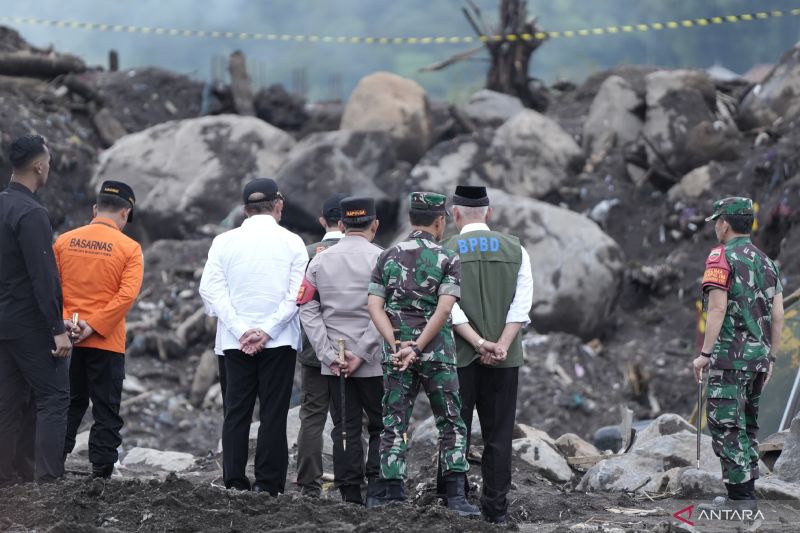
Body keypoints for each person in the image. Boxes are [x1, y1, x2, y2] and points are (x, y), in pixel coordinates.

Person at [366, 192, 479, 517]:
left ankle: (392, 494)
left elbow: (374, 306)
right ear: (440, 221)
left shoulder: (387, 256)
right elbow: (445, 309)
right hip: (438, 355)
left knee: (393, 421)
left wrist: (397, 343)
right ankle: (456, 497)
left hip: (397, 355)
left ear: (411, 219)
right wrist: (419, 346)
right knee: (451, 423)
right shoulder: (447, 258)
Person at [199, 178, 307, 495]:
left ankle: (234, 479)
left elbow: (210, 289)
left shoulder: (223, 242)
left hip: (234, 343)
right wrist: (267, 330)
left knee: (236, 411)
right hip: (280, 341)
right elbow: (297, 294)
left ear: (245, 209)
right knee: (273, 413)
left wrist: (241, 328)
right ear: (279, 205)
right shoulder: (293, 242)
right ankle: (268, 483)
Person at [434, 185, 533, 524]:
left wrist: (477, 343)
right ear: (488, 213)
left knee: (455, 429)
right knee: (499, 434)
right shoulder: (516, 249)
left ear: (455, 214)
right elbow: (521, 306)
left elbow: (447, 309)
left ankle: (455, 500)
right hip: (506, 358)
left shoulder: (445, 249)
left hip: (458, 356)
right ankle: (496, 510)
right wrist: (501, 344)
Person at [694, 197, 784, 514]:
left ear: (725, 223)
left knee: (725, 425)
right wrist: (771, 358)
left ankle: (739, 498)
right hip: (758, 360)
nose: (716, 226)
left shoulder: (720, 257)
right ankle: (744, 491)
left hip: (730, 359)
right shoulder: (767, 262)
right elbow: (778, 316)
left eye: (717, 220)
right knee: (746, 426)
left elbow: (717, 308)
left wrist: (705, 353)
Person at [298, 196, 384, 505]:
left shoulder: (319, 261)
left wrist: (327, 352)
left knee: (345, 427)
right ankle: (377, 488)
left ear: (342, 225)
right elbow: (388, 311)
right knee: (380, 424)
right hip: (373, 359)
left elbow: (306, 308)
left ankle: (350, 494)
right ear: (374, 224)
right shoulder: (384, 259)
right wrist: (362, 351)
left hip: (335, 362)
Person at [57, 180, 144, 479]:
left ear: (95, 209)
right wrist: (93, 326)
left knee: (68, 402)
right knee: (106, 407)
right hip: (106, 341)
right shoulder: (129, 248)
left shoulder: (64, 241)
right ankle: (101, 469)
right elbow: (126, 296)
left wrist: (66, 322)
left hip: (64, 338)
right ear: (125, 212)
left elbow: (50, 289)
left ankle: (54, 460)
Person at [0, 134, 72, 486]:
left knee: (8, 401)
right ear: (39, 166)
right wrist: (57, 328)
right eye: (49, 163)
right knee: (54, 395)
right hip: (28, 322)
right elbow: (43, 276)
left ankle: (6, 476)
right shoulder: (31, 213)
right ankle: (49, 480)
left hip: (2, 322)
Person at [295, 192, 348, 497]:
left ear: (321, 221)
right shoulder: (364, 251)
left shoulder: (306, 252)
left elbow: (299, 301)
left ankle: (308, 485)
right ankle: (350, 483)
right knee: (349, 420)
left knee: (312, 417)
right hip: (352, 351)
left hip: (314, 349)